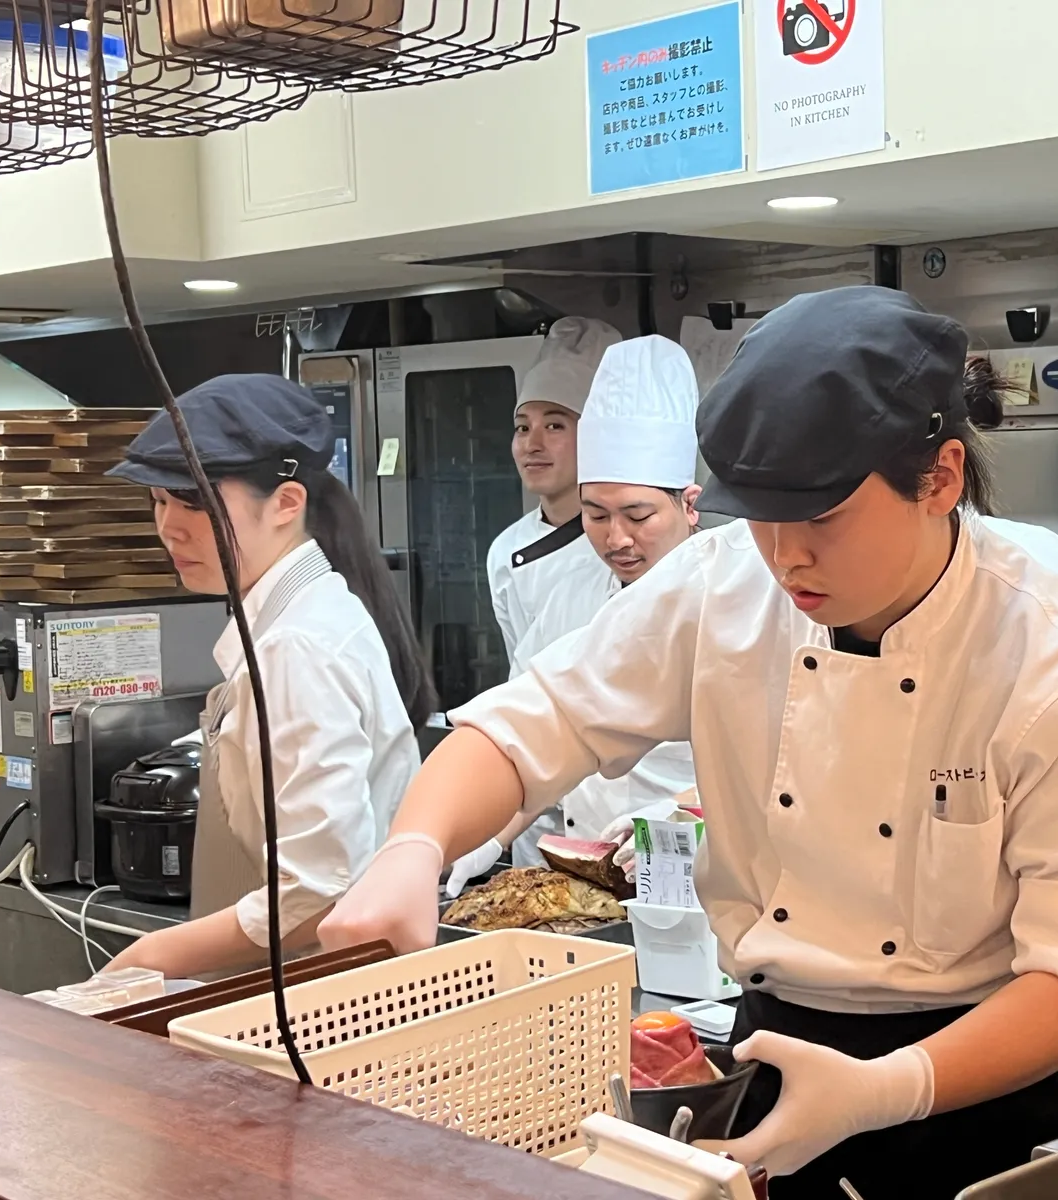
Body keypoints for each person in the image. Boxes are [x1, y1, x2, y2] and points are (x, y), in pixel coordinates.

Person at [322, 287, 1058, 1197]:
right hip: (783, 1056)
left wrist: (884, 1090)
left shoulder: (1056, 655)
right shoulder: (724, 585)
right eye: (762, 514)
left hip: (997, 1090)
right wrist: (414, 849)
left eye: (819, 517)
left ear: (938, 479)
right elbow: (538, 722)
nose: (784, 558)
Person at [105, 375, 429, 980]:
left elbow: (318, 889)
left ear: (286, 503)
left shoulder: (295, 646)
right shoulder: (301, 615)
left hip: (323, 994)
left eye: (194, 501)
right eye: (158, 500)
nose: (170, 527)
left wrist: (150, 958)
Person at [447, 336, 702, 894]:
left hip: (700, 879)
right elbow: (533, 738)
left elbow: (781, 763)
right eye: (595, 515)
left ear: (689, 503)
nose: (617, 539)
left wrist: (687, 813)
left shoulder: (734, 595)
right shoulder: (569, 594)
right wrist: (481, 837)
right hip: (579, 876)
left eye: (638, 515)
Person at [483, 315, 622, 867]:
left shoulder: (634, 562)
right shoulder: (505, 552)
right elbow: (525, 681)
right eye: (522, 426)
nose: (532, 443)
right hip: (535, 812)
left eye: (556, 425)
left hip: (619, 810)